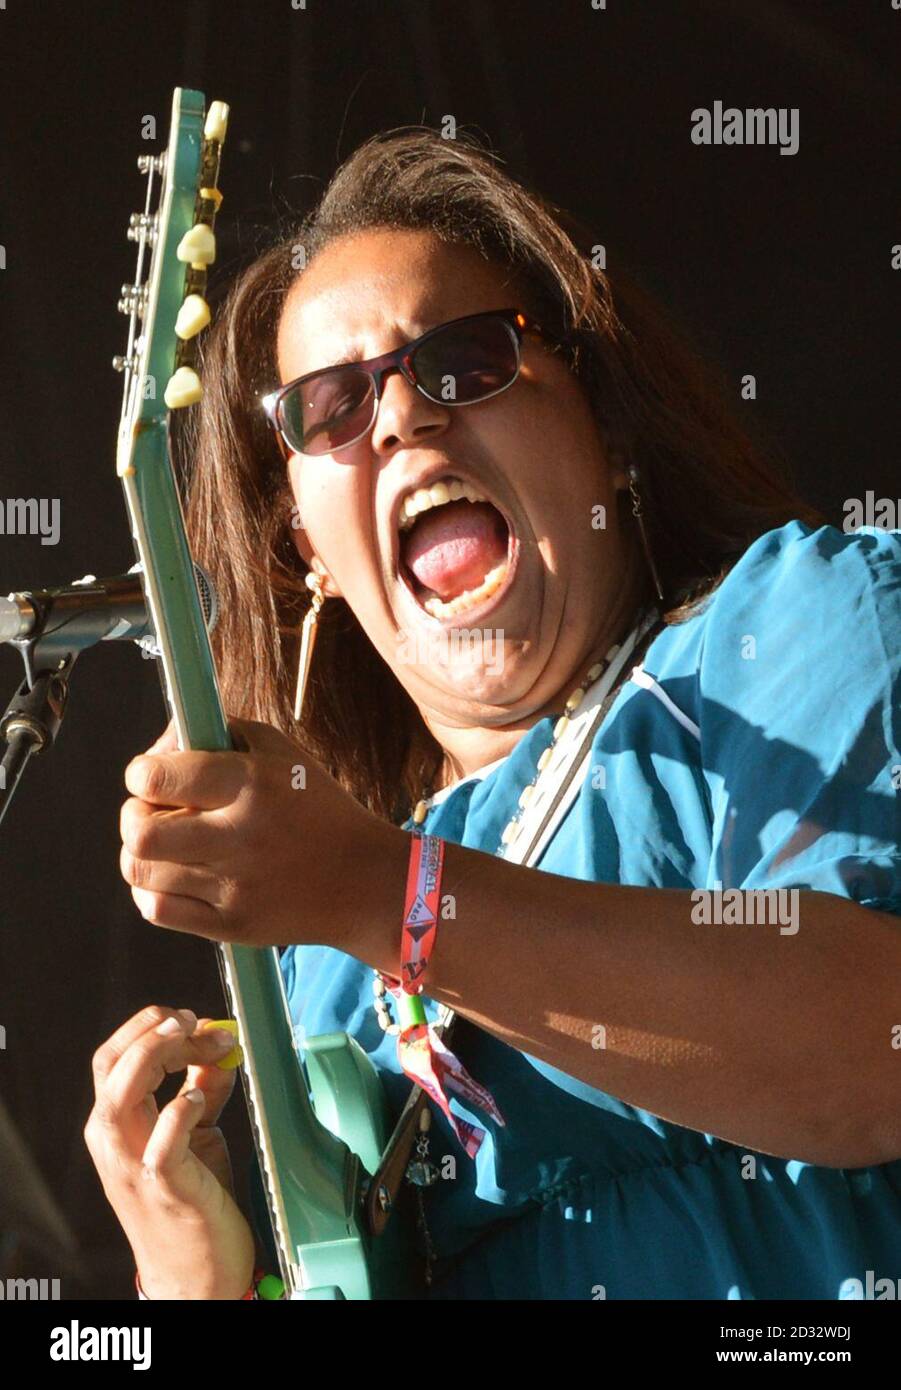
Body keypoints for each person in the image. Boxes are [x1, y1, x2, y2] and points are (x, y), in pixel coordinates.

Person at [84, 129, 901, 1300]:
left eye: (464, 360)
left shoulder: (794, 627)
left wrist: (391, 897)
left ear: (607, 428)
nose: (403, 418)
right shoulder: (311, 971)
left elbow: (870, 1045)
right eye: (329, 406)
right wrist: (193, 1278)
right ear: (301, 540)